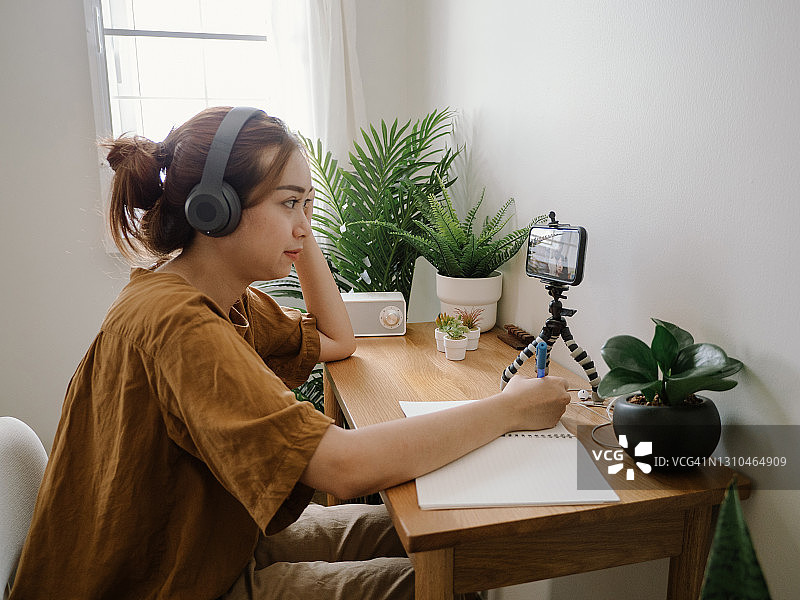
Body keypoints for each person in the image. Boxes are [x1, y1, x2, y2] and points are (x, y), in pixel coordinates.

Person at [10, 107, 570, 600]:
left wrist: (294, 234)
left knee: (434, 529)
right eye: (290, 203)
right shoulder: (178, 324)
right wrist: (509, 410)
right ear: (215, 211)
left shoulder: (225, 301)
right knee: (439, 582)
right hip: (159, 583)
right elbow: (343, 468)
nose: (306, 222)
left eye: (309, 203)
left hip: (203, 543)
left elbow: (338, 341)